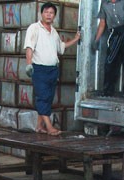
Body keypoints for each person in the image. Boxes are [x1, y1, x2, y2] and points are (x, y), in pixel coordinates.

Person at [24, 3, 80, 135]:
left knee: (48, 98)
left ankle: (39, 126)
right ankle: (49, 127)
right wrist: (28, 64)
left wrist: (76, 39)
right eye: (46, 12)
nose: (49, 15)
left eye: (51, 13)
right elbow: (29, 47)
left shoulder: (53, 31)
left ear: (54, 16)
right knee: (42, 97)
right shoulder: (34, 28)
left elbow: (61, 47)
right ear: (41, 14)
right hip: (39, 69)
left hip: (52, 70)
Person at [91, 0, 124, 98]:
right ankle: (107, 90)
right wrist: (96, 39)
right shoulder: (104, 4)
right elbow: (102, 23)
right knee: (110, 62)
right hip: (115, 33)